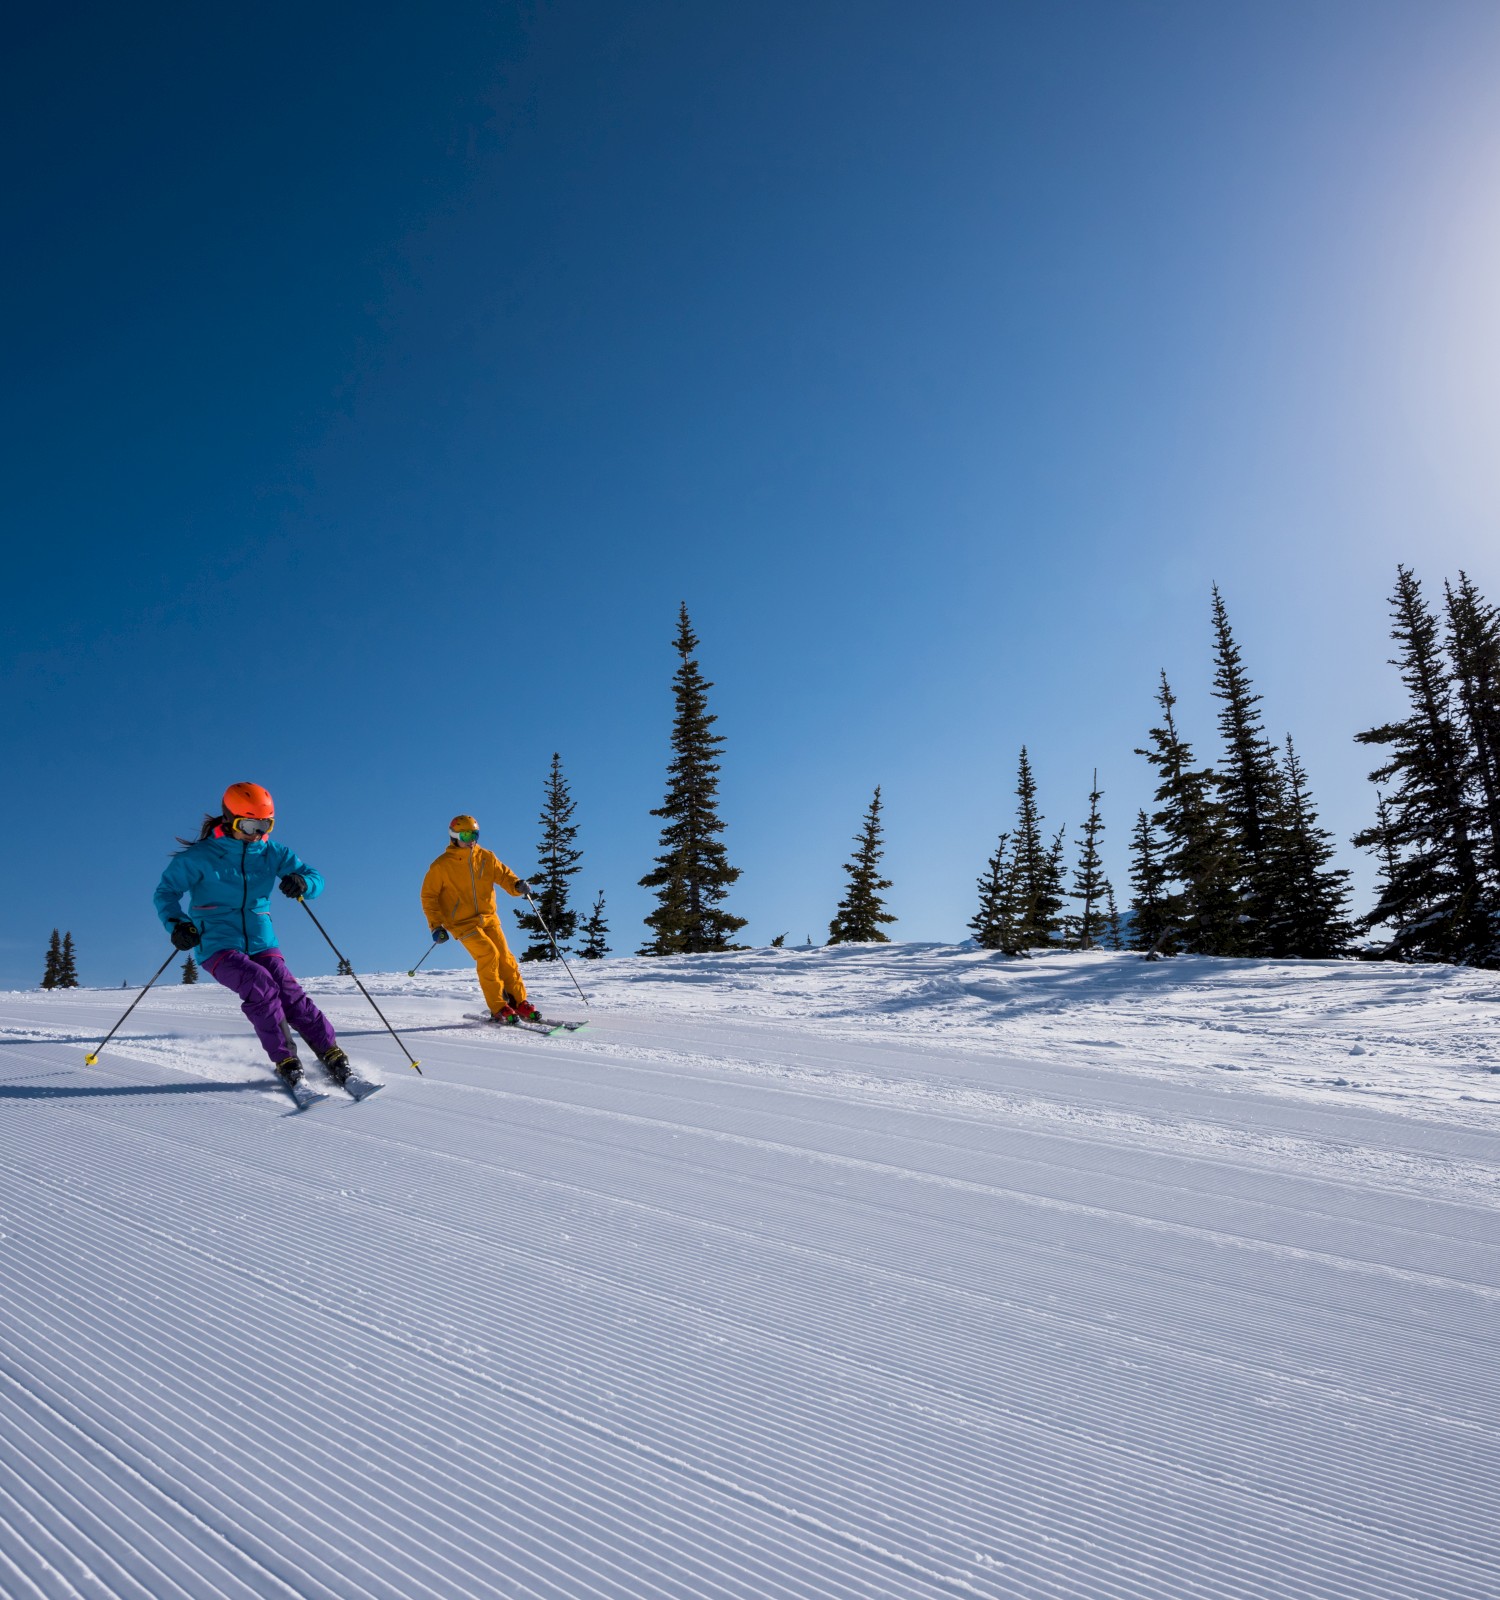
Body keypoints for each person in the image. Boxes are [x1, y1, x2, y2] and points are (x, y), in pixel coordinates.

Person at [154, 782, 352, 1090]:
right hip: (217, 944)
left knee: (290, 995)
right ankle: (286, 1060)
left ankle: (332, 1054)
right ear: (230, 819)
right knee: (259, 985)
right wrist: (177, 924)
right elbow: (166, 893)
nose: (257, 833)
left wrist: (302, 882)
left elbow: (316, 878)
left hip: (262, 940)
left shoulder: (272, 853)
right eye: (249, 825)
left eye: (265, 824)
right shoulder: (200, 857)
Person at [421, 814, 540, 1023]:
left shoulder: (486, 857)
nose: (471, 840)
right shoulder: (441, 866)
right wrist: (435, 926)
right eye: (466, 835)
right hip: (461, 923)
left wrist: (516, 885)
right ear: (454, 836)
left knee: (506, 958)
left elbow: (503, 875)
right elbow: (429, 896)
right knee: (488, 955)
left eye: (474, 834)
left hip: (488, 918)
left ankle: (519, 1002)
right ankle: (498, 1007)